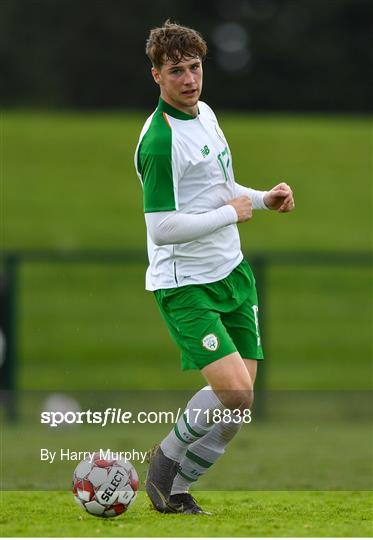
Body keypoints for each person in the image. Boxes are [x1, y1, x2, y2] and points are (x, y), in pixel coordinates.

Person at [134, 20, 294, 515]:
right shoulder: (160, 141)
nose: (189, 79)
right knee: (236, 391)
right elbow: (161, 228)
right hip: (186, 284)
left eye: (195, 67)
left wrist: (262, 200)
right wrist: (233, 213)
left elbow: (223, 192)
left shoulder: (205, 114)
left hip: (231, 272)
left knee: (237, 406)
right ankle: (164, 465)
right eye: (176, 70)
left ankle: (177, 486)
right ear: (157, 75)